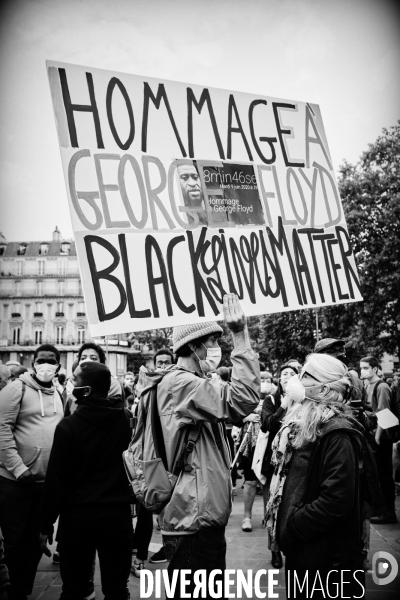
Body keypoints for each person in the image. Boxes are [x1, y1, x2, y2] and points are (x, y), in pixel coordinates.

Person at [140, 294, 259, 597]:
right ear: (194, 346)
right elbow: (242, 399)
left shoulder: (183, 382)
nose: (218, 350)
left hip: (192, 514)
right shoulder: (181, 383)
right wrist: (240, 335)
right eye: (213, 342)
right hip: (194, 518)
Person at [266, 354, 365, 599]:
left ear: (322, 388)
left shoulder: (337, 433)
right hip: (308, 554)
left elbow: (337, 499)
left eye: (305, 375)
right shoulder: (312, 424)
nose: (296, 381)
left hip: (325, 560)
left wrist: (295, 525)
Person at [39, 361, 133, 600]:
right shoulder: (125, 420)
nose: (70, 383)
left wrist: (45, 523)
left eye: (75, 380)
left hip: (77, 518)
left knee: (74, 588)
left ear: (87, 390)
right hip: (116, 514)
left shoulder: (68, 427)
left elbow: (56, 480)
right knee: (117, 588)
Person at [0, 344, 63, 600]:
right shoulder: (16, 388)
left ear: (58, 365)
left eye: (51, 361)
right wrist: (18, 469)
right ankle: (8, 591)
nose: (45, 365)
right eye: (41, 360)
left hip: (43, 485)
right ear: (34, 362)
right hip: (14, 483)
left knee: (35, 545)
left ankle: (22, 593)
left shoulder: (59, 392)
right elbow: (2, 429)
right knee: (13, 544)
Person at [260, 364, 298, 569]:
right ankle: (275, 550)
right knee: (271, 508)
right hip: (274, 464)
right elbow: (268, 425)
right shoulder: (272, 400)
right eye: (285, 374)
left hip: (297, 462)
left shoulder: (304, 400)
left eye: (293, 374)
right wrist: (284, 405)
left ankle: (292, 548)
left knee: (292, 507)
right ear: (279, 379)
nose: (288, 377)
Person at [360, 356, 397, 524]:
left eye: (365, 368)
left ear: (375, 369)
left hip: (382, 437)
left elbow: (384, 413)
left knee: (384, 475)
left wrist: (377, 438)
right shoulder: (367, 385)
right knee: (376, 475)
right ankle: (381, 509)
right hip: (373, 435)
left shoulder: (382, 386)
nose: (362, 371)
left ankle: (388, 512)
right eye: (361, 368)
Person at [64, 342, 123, 415]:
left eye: (93, 358)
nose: (87, 361)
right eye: (83, 358)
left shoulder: (113, 385)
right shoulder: (73, 384)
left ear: (101, 363)